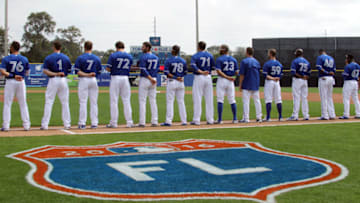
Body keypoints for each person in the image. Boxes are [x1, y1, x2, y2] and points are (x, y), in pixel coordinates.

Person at [41, 41, 72, 130]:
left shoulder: (49, 57)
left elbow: (45, 71)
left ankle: (45, 124)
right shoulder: (66, 57)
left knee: (49, 101)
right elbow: (69, 70)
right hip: (63, 80)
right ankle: (67, 124)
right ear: (60, 47)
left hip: (53, 79)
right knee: (65, 102)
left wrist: (56, 73)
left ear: (54, 47)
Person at [0, 41, 31, 131]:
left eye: (10, 47)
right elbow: (28, 72)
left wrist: (13, 75)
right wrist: (20, 75)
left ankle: (6, 126)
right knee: (23, 103)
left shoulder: (6, 59)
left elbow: (2, 71)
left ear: (13, 48)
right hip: (21, 81)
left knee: (7, 104)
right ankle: (26, 125)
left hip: (10, 81)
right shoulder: (24, 59)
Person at [106, 41, 134, 128]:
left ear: (116, 47)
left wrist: (114, 69)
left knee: (114, 101)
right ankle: (129, 122)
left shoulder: (113, 55)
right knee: (126, 100)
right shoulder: (129, 56)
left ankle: (114, 123)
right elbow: (130, 67)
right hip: (125, 78)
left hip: (115, 77)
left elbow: (107, 68)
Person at [74, 41, 102, 129]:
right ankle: (94, 123)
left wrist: (87, 75)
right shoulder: (96, 58)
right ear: (91, 47)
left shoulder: (81, 58)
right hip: (93, 80)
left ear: (84, 47)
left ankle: (82, 123)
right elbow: (99, 71)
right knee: (94, 102)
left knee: (83, 102)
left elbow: (77, 71)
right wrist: (92, 75)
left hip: (84, 79)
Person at [161, 45, 188, 126]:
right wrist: (180, 76)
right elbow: (186, 72)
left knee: (170, 102)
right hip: (181, 82)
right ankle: (184, 121)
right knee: (181, 102)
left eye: (172, 49)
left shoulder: (168, 60)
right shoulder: (183, 61)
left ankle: (168, 121)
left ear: (173, 51)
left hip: (172, 81)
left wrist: (176, 77)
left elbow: (166, 72)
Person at [190, 41, 215, 125]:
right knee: (209, 99)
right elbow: (213, 67)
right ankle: (210, 119)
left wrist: (201, 71)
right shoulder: (210, 55)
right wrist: (207, 71)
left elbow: (193, 66)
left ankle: (197, 120)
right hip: (208, 77)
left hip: (199, 77)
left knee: (197, 98)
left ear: (198, 47)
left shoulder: (195, 55)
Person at [215, 44, 239, 124]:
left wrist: (227, 77)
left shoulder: (220, 59)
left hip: (222, 79)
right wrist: (233, 77)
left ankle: (220, 119)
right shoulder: (233, 59)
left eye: (221, 48)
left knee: (220, 99)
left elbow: (218, 71)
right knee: (232, 99)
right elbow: (237, 71)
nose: (219, 50)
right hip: (230, 81)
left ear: (224, 50)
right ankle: (235, 118)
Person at [138, 42, 159, 127]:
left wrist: (150, 78)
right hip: (154, 79)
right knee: (153, 101)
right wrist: (153, 79)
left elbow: (143, 69)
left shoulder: (143, 57)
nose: (142, 48)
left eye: (143, 47)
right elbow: (157, 69)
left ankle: (142, 122)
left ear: (147, 47)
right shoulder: (156, 57)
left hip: (146, 79)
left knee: (142, 101)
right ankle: (154, 121)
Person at [239, 47, 262, 123]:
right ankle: (259, 117)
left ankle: (246, 118)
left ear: (247, 52)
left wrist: (240, 85)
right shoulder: (257, 61)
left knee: (246, 101)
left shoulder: (244, 61)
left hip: (246, 83)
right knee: (257, 101)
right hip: (255, 83)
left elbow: (242, 74)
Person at [288, 48, 311, 121]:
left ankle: (295, 115)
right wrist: (305, 77)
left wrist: (301, 76)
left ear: (297, 54)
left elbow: (293, 72)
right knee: (304, 98)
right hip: (305, 81)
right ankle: (306, 115)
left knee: (296, 97)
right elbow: (309, 73)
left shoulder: (295, 61)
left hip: (297, 80)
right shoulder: (307, 61)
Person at [262, 49, 283, 122]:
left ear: (270, 54)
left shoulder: (267, 63)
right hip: (277, 82)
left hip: (270, 82)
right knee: (278, 99)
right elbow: (281, 75)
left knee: (268, 99)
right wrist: (277, 78)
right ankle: (280, 117)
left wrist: (273, 78)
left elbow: (265, 75)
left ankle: (268, 117)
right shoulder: (279, 64)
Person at [316, 49, 336, 120]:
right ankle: (332, 114)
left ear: (320, 52)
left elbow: (318, 67)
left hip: (324, 78)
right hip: (331, 78)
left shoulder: (320, 57)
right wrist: (330, 73)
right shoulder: (331, 58)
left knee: (323, 97)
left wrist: (326, 72)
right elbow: (334, 70)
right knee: (329, 97)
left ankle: (325, 115)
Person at [339, 54, 360, 119]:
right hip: (355, 82)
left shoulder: (348, 66)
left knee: (346, 98)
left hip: (349, 82)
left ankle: (346, 114)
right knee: (356, 99)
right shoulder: (358, 65)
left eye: (346, 58)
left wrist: (342, 73)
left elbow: (345, 75)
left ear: (349, 59)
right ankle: (358, 113)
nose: (346, 60)